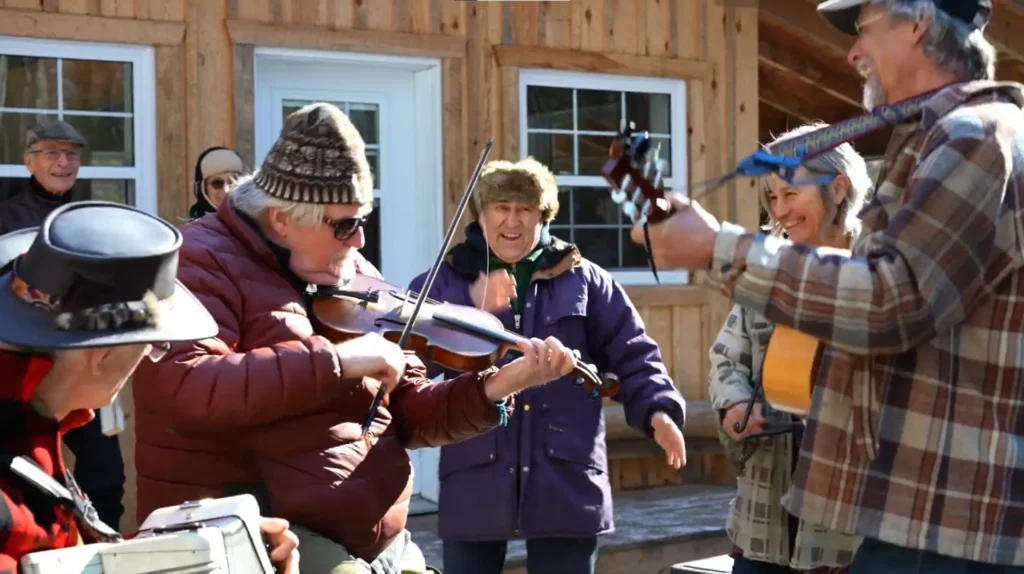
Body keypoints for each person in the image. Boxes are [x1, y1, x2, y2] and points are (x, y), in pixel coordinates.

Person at [630, 0, 1024, 571]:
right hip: (921, 516)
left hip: (946, 523)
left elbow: (892, 300)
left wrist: (718, 248)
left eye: (864, 29)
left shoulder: (973, 137)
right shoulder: (955, 136)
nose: (853, 52)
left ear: (918, 23)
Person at [132, 103, 579, 574]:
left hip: (377, 535)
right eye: (345, 224)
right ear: (282, 218)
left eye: (363, 220)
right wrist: (339, 362)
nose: (360, 240)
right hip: (262, 529)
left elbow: (406, 411)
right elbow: (188, 386)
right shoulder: (199, 259)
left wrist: (498, 386)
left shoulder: (350, 267)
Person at [407, 157, 687, 574]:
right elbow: (406, 361)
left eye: (525, 209)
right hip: (474, 476)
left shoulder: (587, 280)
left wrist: (658, 411)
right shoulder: (446, 282)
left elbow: (635, 355)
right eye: (501, 208)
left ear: (544, 216)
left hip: (566, 477)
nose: (512, 221)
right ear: (481, 214)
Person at [0, 201, 299, 573]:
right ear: (102, 354)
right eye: (154, 344)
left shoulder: (33, 422)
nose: (149, 358)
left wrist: (185, 550)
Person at [708, 123, 870, 574]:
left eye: (790, 194)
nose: (779, 211)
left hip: (847, 530)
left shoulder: (880, 270)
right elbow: (726, 358)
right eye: (772, 197)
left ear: (838, 188)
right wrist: (735, 404)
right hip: (764, 520)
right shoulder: (768, 268)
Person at [0, 118, 128, 533]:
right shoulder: (6, 219)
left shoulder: (90, 216)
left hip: (84, 358)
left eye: (71, 154)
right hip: (26, 365)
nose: (63, 162)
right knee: (29, 470)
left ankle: (103, 552)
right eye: (52, 153)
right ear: (29, 162)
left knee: (106, 473)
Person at [188, 146, 244, 219]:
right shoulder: (194, 227)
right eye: (217, 183)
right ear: (202, 189)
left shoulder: (254, 224)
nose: (226, 191)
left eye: (233, 182)